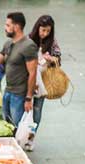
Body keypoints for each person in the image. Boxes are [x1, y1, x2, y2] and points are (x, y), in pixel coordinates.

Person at [26, 15, 60, 152]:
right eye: (43, 30)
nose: (45, 34)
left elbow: (58, 59)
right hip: (29, 80)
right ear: (37, 28)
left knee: (37, 111)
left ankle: (31, 137)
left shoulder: (52, 42)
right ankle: (20, 134)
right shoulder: (28, 39)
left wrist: (51, 58)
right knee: (25, 109)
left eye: (48, 31)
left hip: (43, 82)